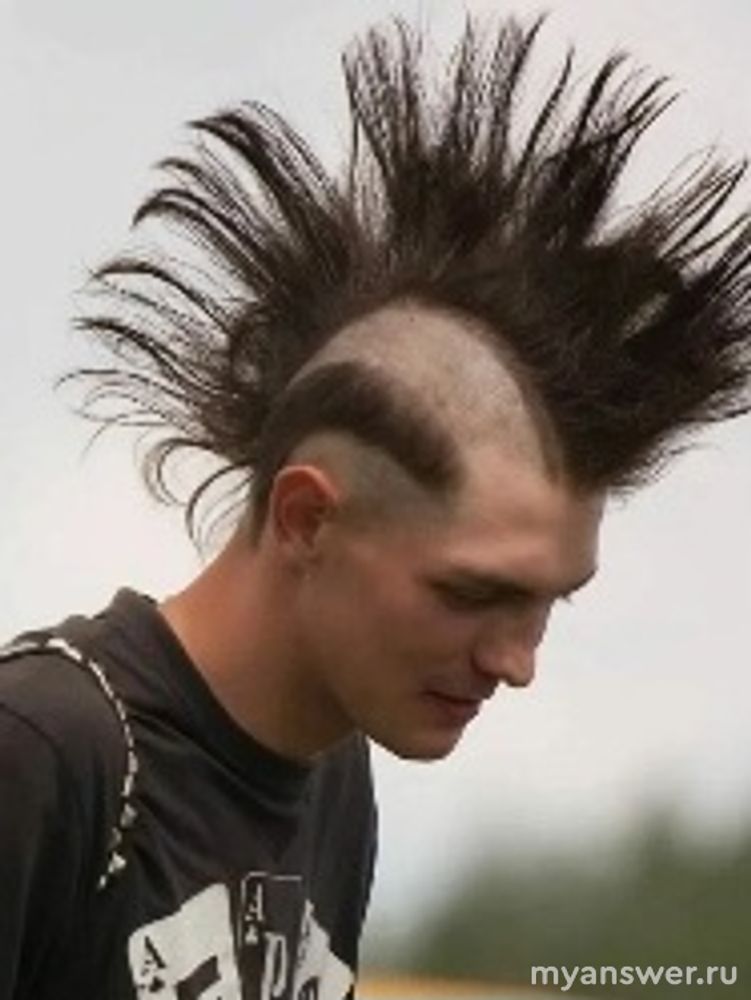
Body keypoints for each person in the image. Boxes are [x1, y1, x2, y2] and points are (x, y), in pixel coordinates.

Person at [1, 13, 750, 1000]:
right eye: (471, 592)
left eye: (549, 601)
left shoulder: (334, 772)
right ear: (307, 518)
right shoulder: (45, 750)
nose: (516, 662)